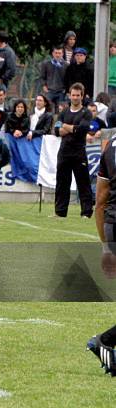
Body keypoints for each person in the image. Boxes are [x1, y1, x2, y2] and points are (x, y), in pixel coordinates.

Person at [87, 132, 116, 376]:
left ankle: (106, 343)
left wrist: (105, 246)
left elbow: (100, 201)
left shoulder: (111, 145)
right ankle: (104, 341)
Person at [54, 82, 93, 218]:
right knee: (62, 183)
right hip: (64, 152)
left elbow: (81, 130)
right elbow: (56, 131)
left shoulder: (86, 113)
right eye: (73, 95)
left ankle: (86, 213)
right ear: (69, 96)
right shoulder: (64, 111)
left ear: (82, 96)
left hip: (79, 153)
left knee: (83, 183)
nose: (75, 97)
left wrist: (66, 127)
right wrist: (72, 128)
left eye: (78, 95)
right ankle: (60, 212)